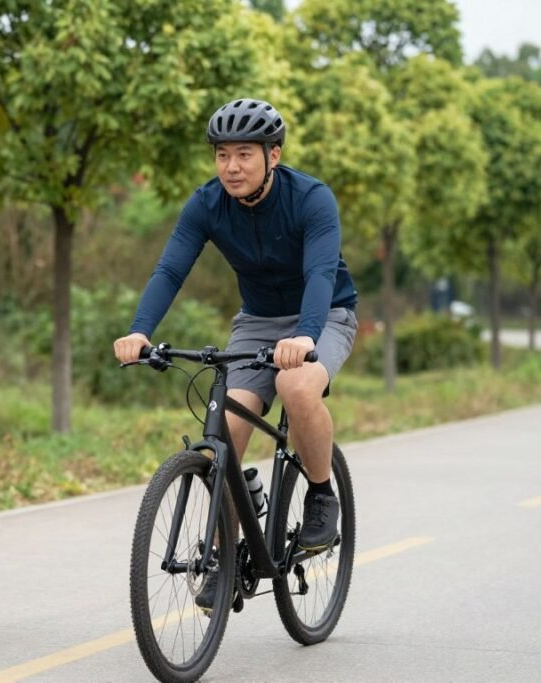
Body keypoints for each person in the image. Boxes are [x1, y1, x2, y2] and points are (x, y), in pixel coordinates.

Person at [113, 97, 358, 560]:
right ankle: (225, 554)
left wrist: (305, 335)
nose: (231, 167)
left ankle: (322, 495)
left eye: (244, 154)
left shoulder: (311, 199)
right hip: (258, 321)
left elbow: (320, 275)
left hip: (325, 315)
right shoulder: (206, 205)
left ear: (274, 155)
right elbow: (170, 271)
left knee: (297, 385)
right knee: (223, 432)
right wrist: (140, 330)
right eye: (222, 154)